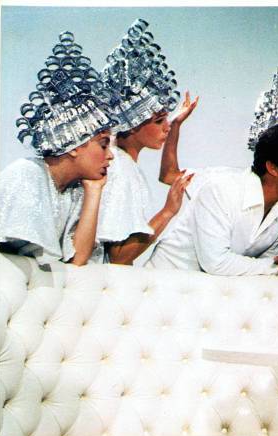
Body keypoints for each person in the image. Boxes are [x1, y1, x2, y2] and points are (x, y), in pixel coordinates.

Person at [0, 31, 115, 266]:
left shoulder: (74, 191)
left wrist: (94, 192)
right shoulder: (27, 174)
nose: (110, 155)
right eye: (103, 145)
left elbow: (78, 260)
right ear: (74, 147)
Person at [147, 124, 278, 274]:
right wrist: (275, 267)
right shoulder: (222, 190)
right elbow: (216, 262)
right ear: (272, 168)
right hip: (160, 285)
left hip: (208, 295)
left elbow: (265, 265)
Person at [97, 18, 192, 265]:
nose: (167, 126)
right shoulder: (120, 168)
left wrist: (175, 126)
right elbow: (119, 258)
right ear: (133, 123)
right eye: (159, 121)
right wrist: (168, 211)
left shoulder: (119, 162)